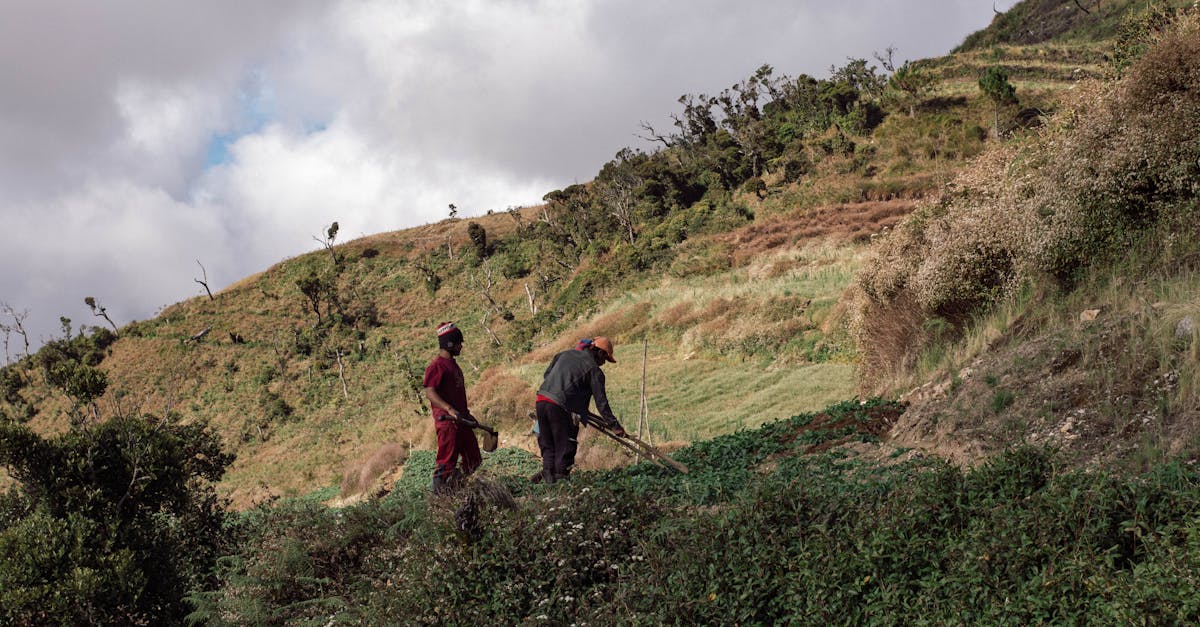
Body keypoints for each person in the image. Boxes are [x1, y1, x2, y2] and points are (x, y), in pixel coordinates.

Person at [533, 336, 626, 483]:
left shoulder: (564, 354)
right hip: (560, 407)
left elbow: (547, 375)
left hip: (541, 400)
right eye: (605, 359)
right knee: (565, 447)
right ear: (600, 352)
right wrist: (615, 426)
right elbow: (601, 402)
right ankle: (559, 483)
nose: (603, 363)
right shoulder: (594, 370)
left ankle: (548, 480)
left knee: (548, 445)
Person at [423, 321, 481, 493]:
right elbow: (430, 392)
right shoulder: (437, 366)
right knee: (446, 462)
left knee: (473, 459)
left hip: (461, 421)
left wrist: (467, 414)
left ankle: (459, 490)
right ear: (449, 343)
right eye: (458, 343)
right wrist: (449, 409)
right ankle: (439, 496)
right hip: (448, 423)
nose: (461, 346)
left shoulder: (453, 365)